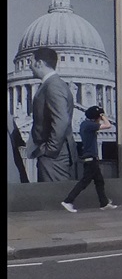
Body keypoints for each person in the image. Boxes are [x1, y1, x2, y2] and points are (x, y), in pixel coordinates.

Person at [27, 46, 78, 182]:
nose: (29, 66)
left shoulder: (53, 86)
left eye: (30, 62)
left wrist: (50, 150)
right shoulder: (53, 84)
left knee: (55, 199)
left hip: (55, 158)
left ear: (39, 63)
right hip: (55, 155)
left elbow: (61, 120)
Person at [62, 106, 116, 212]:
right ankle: (68, 201)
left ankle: (104, 203)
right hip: (91, 158)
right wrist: (103, 115)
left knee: (99, 181)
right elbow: (108, 125)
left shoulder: (85, 124)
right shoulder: (90, 125)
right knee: (85, 181)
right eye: (99, 117)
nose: (100, 119)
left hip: (92, 157)